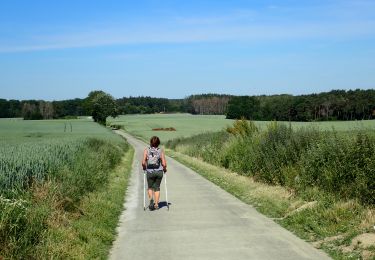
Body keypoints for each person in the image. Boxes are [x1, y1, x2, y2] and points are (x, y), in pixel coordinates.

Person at [142, 136, 167, 210]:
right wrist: (165, 169)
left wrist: (144, 167)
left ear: (150, 142)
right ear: (158, 143)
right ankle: (156, 204)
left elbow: (143, 162)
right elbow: (164, 164)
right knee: (157, 188)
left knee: (150, 187)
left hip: (149, 171)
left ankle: (151, 199)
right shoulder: (160, 151)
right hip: (159, 172)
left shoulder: (146, 150)